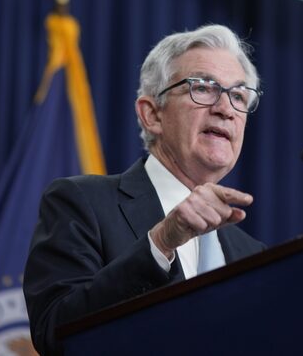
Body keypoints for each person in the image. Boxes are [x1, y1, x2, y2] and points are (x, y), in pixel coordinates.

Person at [23, 24, 266, 355]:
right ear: (152, 114)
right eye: (204, 88)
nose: (225, 109)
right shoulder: (82, 203)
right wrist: (161, 243)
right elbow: (55, 331)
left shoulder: (254, 255)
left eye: (238, 95)